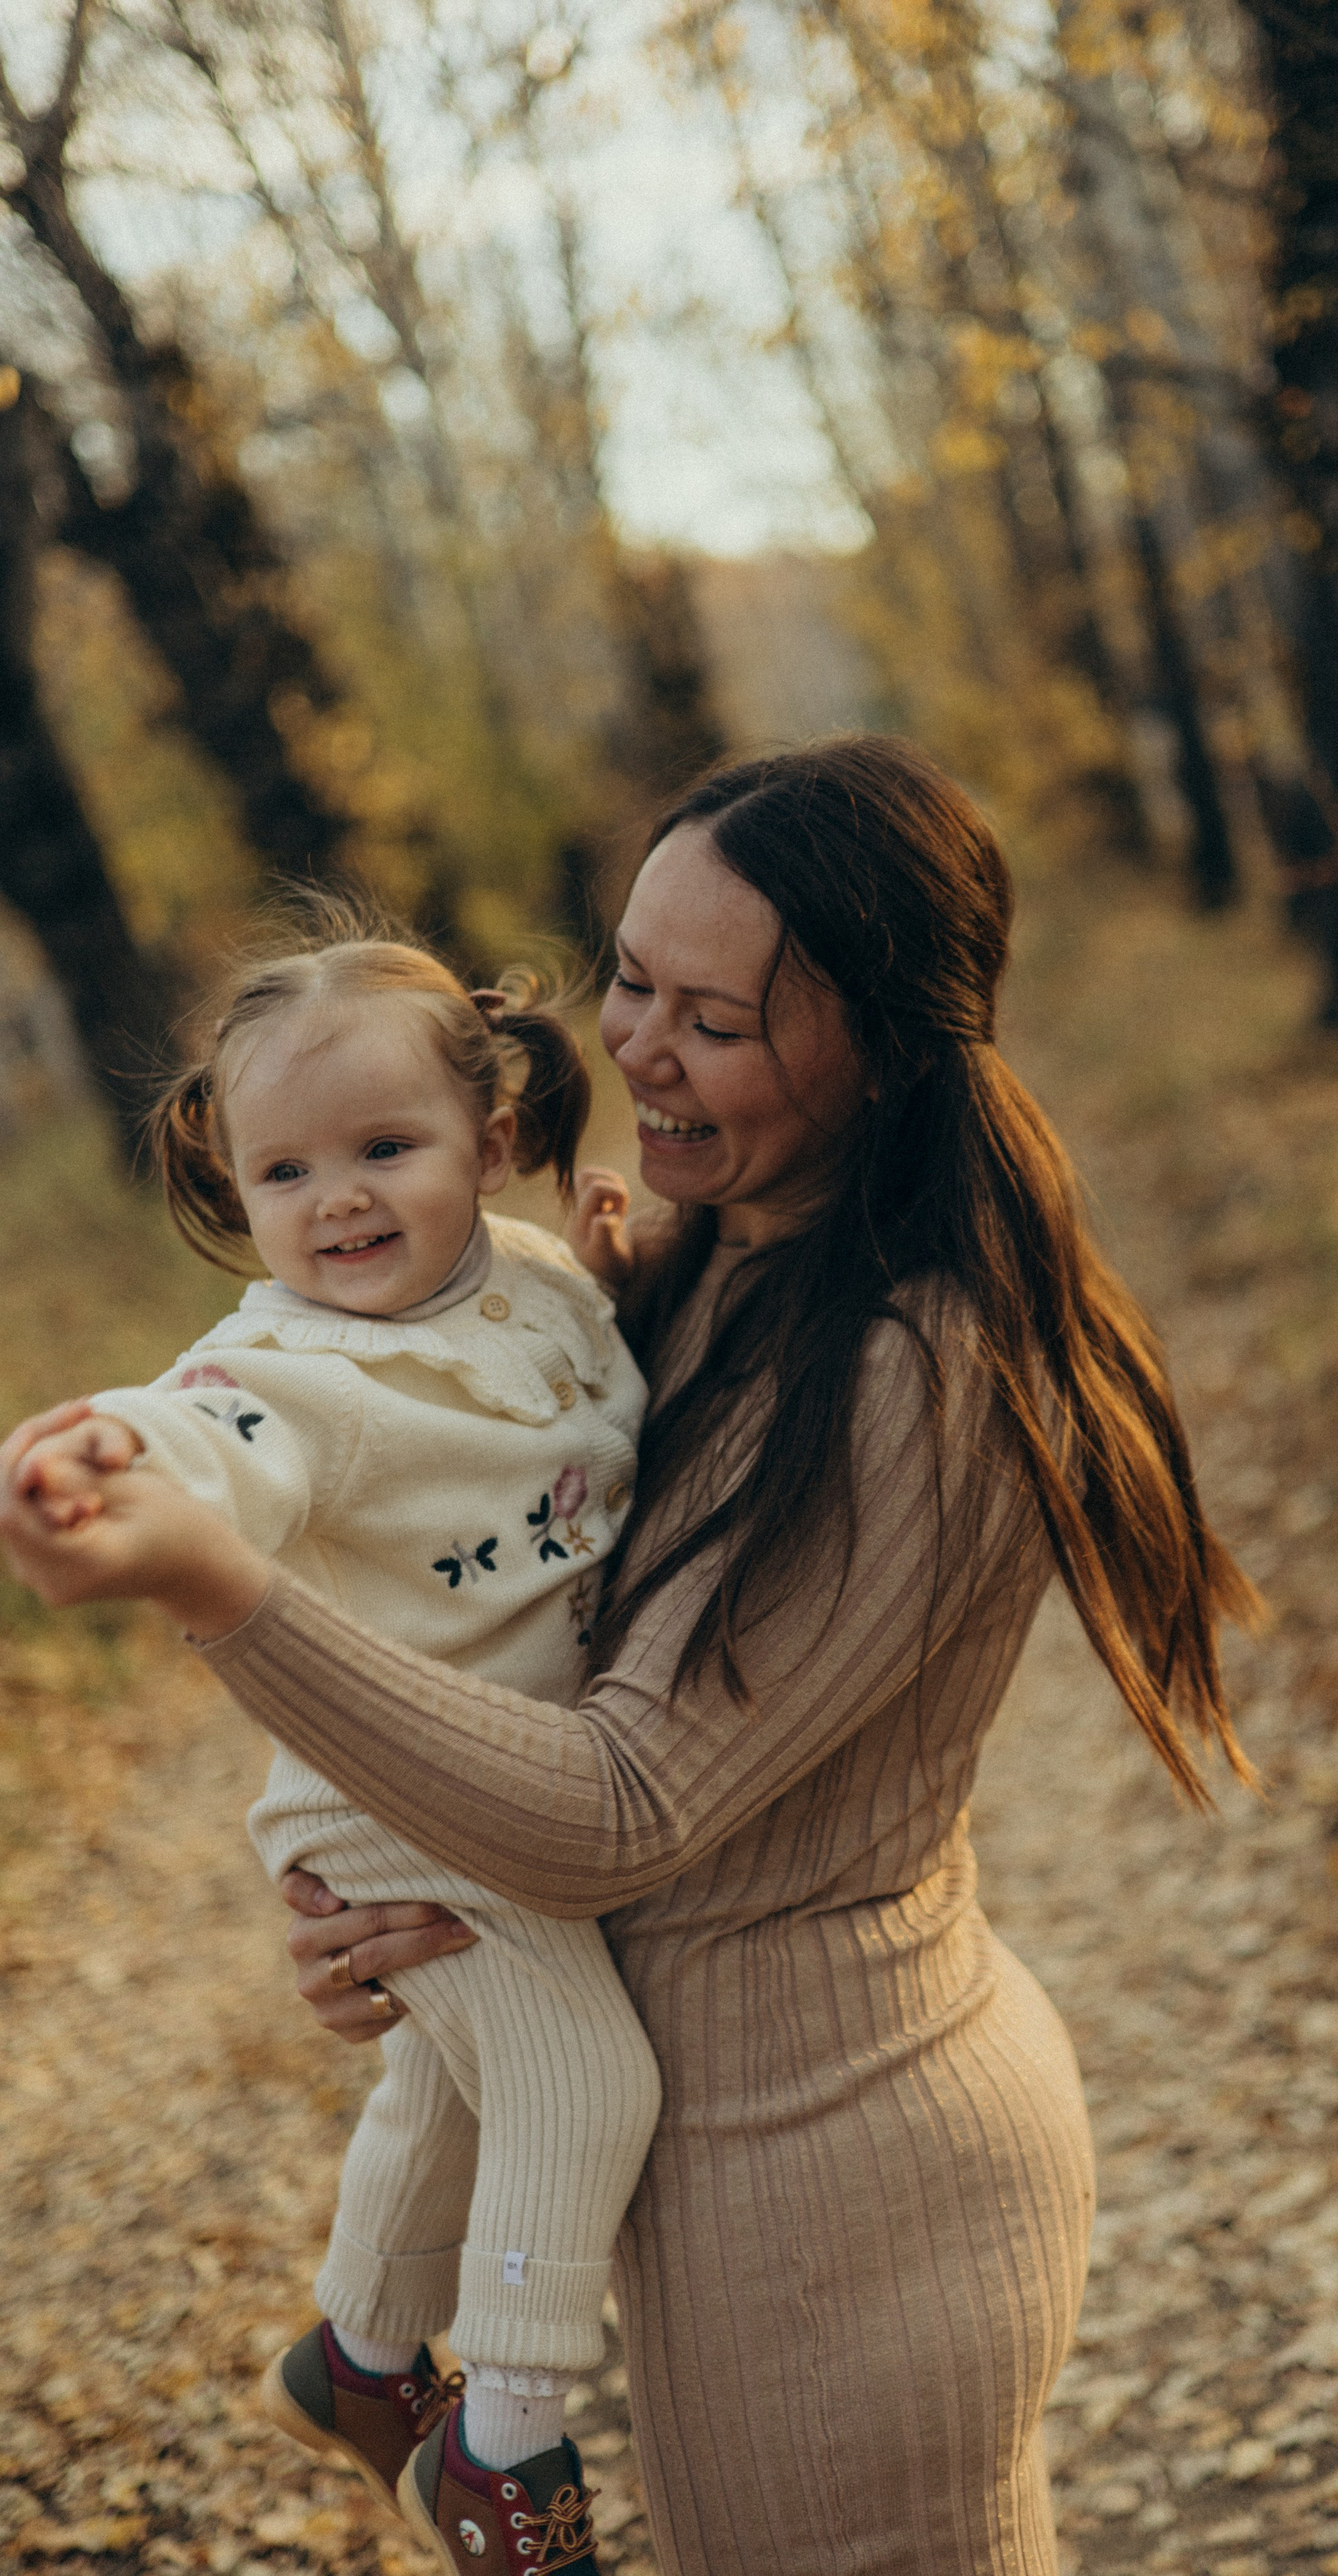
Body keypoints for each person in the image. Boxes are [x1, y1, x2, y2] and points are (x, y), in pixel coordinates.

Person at [2, 736, 1258, 2576]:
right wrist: (409, 1925)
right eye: (631, 981)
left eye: (717, 1019)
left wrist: (230, 1600)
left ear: (887, 1045)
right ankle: (375, 2360)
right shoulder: (715, 1259)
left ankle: (440, 2416)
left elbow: (620, 1808)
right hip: (728, 2154)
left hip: (838, 2178)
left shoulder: (918, 1371)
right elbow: (480, 1583)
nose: (641, 1047)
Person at [11, 919, 664, 2576]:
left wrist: (630, 1284)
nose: (339, 1202)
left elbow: (595, 1393)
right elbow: (204, 1425)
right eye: (285, 1171)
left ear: (489, 1140)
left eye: (385, 1149)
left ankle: (358, 2355)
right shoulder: (291, 1369)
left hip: (505, 1776)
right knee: (585, 2074)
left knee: (451, 2081)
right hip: (394, 1792)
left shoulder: (531, 1275)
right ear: (237, 1188)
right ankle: (503, 2453)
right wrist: (103, 1449)